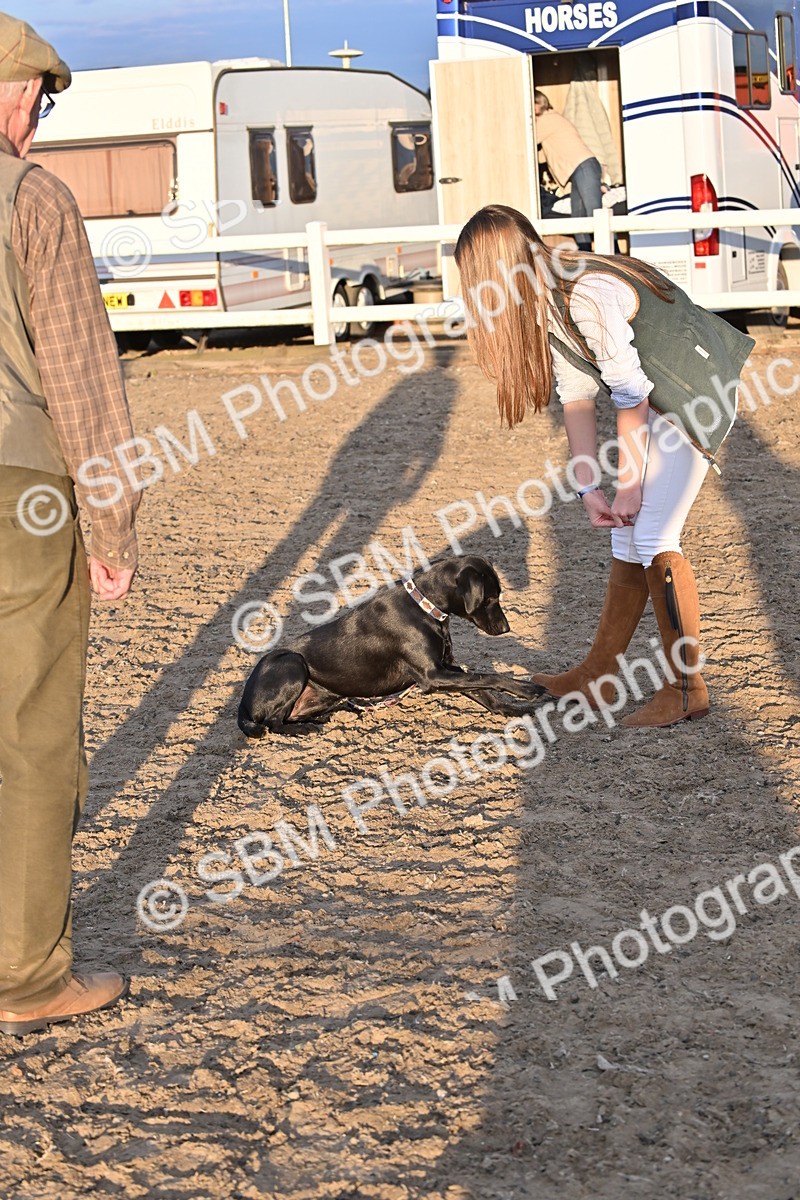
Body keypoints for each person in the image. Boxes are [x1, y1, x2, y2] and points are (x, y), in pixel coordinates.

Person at [454, 203, 755, 728]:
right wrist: (590, 487)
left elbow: (631, 393)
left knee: (655, 533)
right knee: (627, 538)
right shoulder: (545, 301)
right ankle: (598, 674)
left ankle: (688, 687)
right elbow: (576, 397)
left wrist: (631, 486)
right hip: (656, 398)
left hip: (691, 396)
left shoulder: (584, 294)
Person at [0, 14, 141, 1036]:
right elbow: (84, 382)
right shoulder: (33, 199)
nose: (38, 121)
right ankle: (24, 977)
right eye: (39, 99)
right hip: (17, 487)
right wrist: (112, 528)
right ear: (14, 92)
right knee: (33, 735)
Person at [534, 89, 603, 250]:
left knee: (596, 215)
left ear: (538, 105)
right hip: (581, 169)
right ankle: (587, 256)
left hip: (583, 167)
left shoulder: (547, 120)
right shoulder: (552, 120)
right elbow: (542, 157)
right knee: (577, 219)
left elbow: (527, 139)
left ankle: (615, 257)